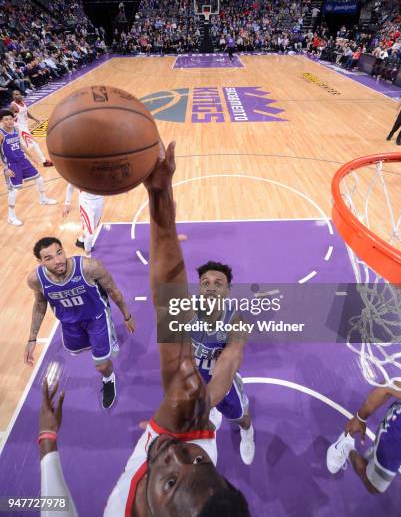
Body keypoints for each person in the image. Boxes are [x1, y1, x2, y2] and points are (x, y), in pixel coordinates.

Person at [38, 142, 251, 515]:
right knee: (197, 408)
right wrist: (160, 195)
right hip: (197, 397)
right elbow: (169, 301)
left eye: (170, 481)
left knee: (237, 410)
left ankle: (243, 425)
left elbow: (229, 364)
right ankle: (222, 421)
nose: (174, 454)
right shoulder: (188, 436)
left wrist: (47, 441)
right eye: (199, 462)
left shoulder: (235, 320)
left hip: (213, 384)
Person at [25, 237, 135, 409]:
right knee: (80, 351)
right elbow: (40, 303)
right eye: (49, 258)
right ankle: (100, 348)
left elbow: (113, 291)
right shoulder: (35, 280)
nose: (58, 260)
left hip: (96, 319)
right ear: (40, 262)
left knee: (101, 364)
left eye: (59, 253)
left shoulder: (88, 267)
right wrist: (32, 338)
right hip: (70, 324)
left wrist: (127, 316)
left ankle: (108, 378)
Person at [191, 260, 255, 465]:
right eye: (205, 283)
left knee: (241, 418)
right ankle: (209, 411)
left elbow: (227, 366)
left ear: (227, 291)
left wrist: (201, 406)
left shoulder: (235, 323)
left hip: (223, 383)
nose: (210, 287)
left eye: (218, 284)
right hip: (194, 380)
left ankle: (248, 433)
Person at [326, 381, 401, 493]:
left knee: (375, 462)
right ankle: (345, 448)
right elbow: (387, 387)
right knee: (373, 485)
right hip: (400, 432)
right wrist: (360, 418)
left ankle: (374, 455)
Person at [0, 110, 56, 226]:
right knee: (13, 191)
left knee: (39, 179)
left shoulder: (15, 129)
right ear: (1, 120)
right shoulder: (1, 133)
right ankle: (11, 216)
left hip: (22, 160)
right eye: (6, 119)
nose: (9, 121)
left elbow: (20, 144)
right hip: (11, 164)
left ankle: (43, 199)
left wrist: (31, 157)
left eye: (10, 119)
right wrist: (5, 168)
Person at [9, 90, 53, 167]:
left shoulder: (22, 102)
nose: (17, 96)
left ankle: (22, 162)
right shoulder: (13, 105)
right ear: (13, 96)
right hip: (19, 128)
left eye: (18, 94)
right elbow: (10, 117)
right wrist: (13, 120)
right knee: (34, 144)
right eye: (15, 94)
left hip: (24, 126)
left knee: (22, 145)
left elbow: (26, 113)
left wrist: (35, 119)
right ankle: (44, 161)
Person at [63, 183, 105, 257]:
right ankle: (88, 254)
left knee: (94, 226)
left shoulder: (102, 172)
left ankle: (81, 240)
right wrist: (67, 204)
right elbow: (70, 188)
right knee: (90, 234)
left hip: (99, 201)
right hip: (86, 204)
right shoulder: (79, 174)